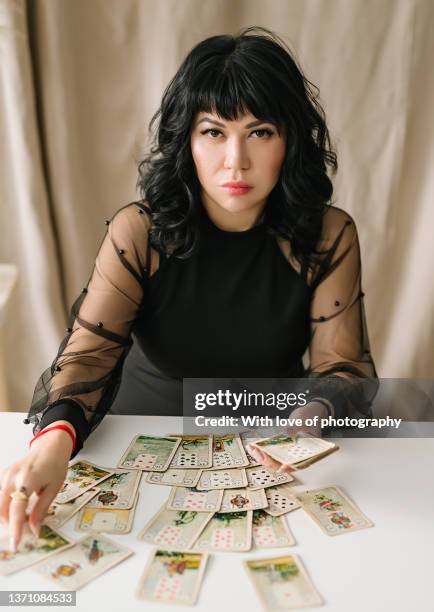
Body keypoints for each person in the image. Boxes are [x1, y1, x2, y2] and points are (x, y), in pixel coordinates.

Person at [0, 26, 378, 552]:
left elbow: (343, 368)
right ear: (187, 140)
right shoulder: (139, 230)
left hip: (267, 441)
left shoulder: (329, 233)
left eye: (261, 131)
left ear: (290, 139)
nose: (236, 161)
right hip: (135, 436)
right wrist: (54, 441)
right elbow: (87, 358)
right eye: (214, 132)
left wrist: (305, 423)